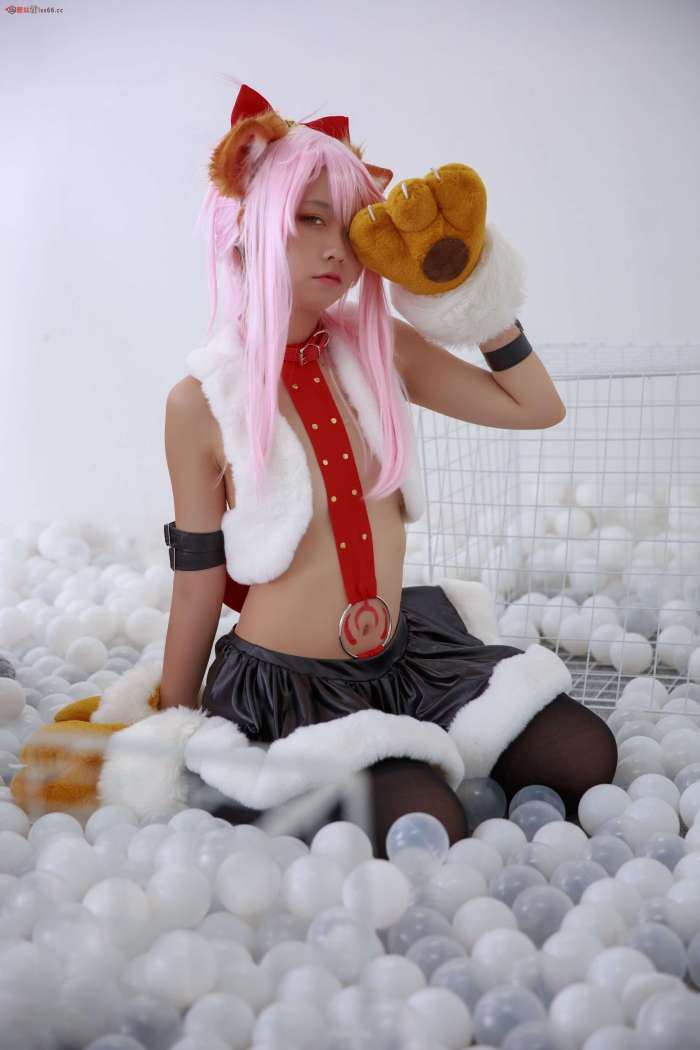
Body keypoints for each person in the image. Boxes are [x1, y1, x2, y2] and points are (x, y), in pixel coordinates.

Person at [17, 84, 613, 854]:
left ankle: (395, 754)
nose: (335, 247)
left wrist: (469, 292)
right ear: (246, 230)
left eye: (348, 224)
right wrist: (171, 724)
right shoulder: (201, 401)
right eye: (308, 219)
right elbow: (200, 580)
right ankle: (256, 783)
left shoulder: (384, 350)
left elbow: (537, 407)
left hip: (406, 658)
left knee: (583, 757)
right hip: (289, 689)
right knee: (429, 821)